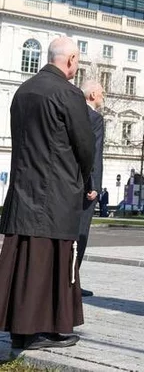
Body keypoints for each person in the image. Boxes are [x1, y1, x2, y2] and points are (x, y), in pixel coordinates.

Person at [0, 37, 94, 351]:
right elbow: (84, 145)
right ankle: (42, 328)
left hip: (23, 188)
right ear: (70, 60)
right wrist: (87, 179)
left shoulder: (23, 91)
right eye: (77, 61)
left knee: (23, 259)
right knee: (49, 262)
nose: (76, 66)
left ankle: (21, 329)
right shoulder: (68, 93)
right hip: (55, 191)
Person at [77, 80, 105, 298]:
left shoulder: (74, 113)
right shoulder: (95, 118)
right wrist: (94, 185)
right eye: (102, 93)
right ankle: (73, 280)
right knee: (81, 233)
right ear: (93, 95)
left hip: (70, 182)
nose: (103, 97)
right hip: (86, 185)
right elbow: (93, 153)